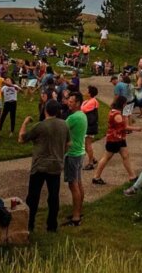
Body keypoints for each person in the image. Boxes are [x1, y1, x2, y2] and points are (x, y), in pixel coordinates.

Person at [19, 99, 70, 231]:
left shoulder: (40, 126)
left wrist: (25, 123)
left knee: (33, 197)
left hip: (39, 165)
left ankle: (30, 224)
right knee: (53, 197)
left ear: (45, 110)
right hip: (56, 165)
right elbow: (68, 144)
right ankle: (52, 226)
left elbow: (21, 139)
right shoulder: (64, 125)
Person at [91, 95, 142, 185]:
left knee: (125, 155)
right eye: (125, 103)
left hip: (120, 139)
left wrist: (127, 116)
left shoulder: (117, 112)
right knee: (106, 157)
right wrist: (136, 128)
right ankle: (96, 177)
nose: (126, 105)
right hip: (114, 140)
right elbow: (125, 127)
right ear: (122, 104)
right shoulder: (117, 115)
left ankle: (132, 176)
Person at [64, 91, 87, 226]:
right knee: (78, 183)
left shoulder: (73, 118)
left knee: (73, 185)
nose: (68, 103)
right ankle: (78, 210)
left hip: (72, 154)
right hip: (80, 152)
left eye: (71, 101)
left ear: (78, 103)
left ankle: (76, 217)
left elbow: (61, 128)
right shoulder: (82, 115)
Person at [81, 85, 100, 171]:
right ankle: (93, 159)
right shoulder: (88, 101)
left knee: (87, 145)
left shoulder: (93, 101)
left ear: (90, 93)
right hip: (87, 125)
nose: (85, 91)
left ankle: (91, 163)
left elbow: (83, 109)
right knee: (86, 145)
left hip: (90, 126)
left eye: (87, 90)